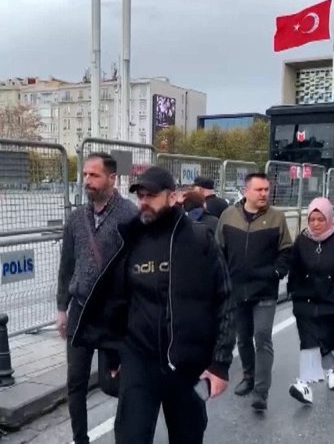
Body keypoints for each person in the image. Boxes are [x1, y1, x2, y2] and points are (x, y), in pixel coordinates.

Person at [71, 166, 236, 444]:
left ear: (172, 197)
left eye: (151, 195)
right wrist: (113, 354)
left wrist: (220, 364)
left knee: (187, 437)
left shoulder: (199, 239)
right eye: (140, 196)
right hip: (139, 361)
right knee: (130, 437)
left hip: (187, 364)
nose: (144, 202)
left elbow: (225, 299)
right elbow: (116, 302)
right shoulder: (130, 240)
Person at [56, 152, 138, 444]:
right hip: (80, 310)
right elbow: (67, 265)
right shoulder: (76, 218)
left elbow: (136, 270)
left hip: (113, 315)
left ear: (112, 178)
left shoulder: (130, 216)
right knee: (75, 382)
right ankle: (80, 440)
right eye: (85, 175)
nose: (87, 181)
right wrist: (62, 308)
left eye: (94, 175)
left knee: (114, 383)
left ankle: (125, 435)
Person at [216, 173, 292, 411]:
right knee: (243, 338)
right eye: (259, 190)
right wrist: (222, 279)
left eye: (267, 189)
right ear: (246, 190)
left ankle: (261, 391)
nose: (264, 194)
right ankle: (248, 376)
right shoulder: (228, 216)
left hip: (265, 290)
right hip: (237, 290)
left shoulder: (277, 217)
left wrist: (277, 272)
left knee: (262, 337)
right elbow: (218, 251)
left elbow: (286, 250)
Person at [287, 198, 334, 405]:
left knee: (332, 337)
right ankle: (305, 385)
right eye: (312, 219)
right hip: (306, 300)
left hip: (333, 300)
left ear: (328, 218)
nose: (316, 224)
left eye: (320, 219)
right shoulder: (302, 241)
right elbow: (295, 268)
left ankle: (333, 371)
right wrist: (294, 290)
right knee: (309, 341)